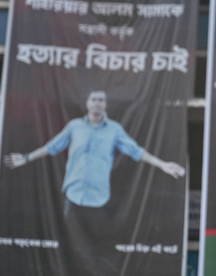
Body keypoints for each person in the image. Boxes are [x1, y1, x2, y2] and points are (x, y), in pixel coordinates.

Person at [2, 90, 185, 213]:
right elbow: (52, 147)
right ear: (87, 103)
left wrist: (163, 165)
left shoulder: (114, 129)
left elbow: (136, 151)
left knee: (97, 248)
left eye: (101, 100)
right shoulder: (74, 127)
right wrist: (26, 158)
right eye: (94, 99)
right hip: (73, 196)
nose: (97, 103)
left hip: (100, 199)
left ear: (105, 105)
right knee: (66, 244)